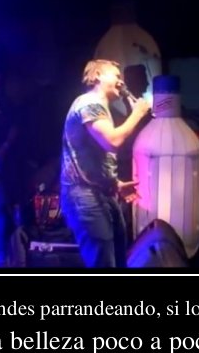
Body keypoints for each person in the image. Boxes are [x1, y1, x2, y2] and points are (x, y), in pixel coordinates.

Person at [60, 59, 151, 268]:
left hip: (100, 192)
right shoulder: (90, 104)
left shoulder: (99, 107)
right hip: (85, 196)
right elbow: (113, 141)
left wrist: (114, 183)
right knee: (104, 264)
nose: (122, 82)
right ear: (98, 75)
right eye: (117, 76)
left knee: (117, 260)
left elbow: (94, 158)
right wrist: (137, 113)